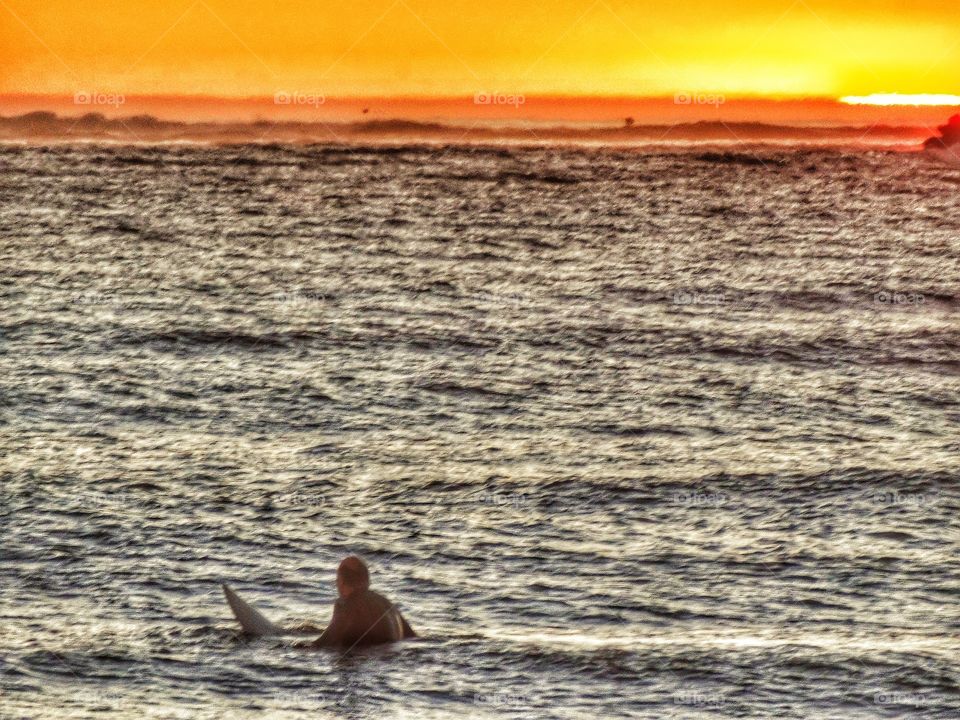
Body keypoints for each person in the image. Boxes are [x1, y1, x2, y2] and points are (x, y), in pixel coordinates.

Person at [311, 555, 416, 649]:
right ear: (366, 580)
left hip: (362, 657)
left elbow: (328, 639)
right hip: (385, 661)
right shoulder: (388, 605)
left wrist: (303, 648)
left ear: (341, 582)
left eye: (337, 580)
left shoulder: (347, 604)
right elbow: (413, 639)